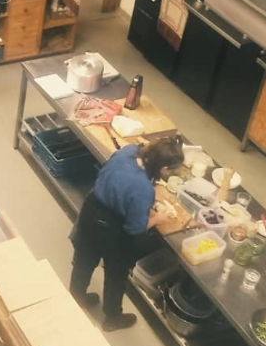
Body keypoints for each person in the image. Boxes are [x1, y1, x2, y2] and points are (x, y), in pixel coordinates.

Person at [69, 138, 183, 332]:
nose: (169, 174)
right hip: (111, 227)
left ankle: (76, 295)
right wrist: (158, 218)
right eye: (170, 171)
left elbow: (119, 180)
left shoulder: (128, 151)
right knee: (116, 273)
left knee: (84, 259)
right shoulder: (142, 189)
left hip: (91, 209)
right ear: (163, 167)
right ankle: (113, 317)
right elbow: (135, 228)